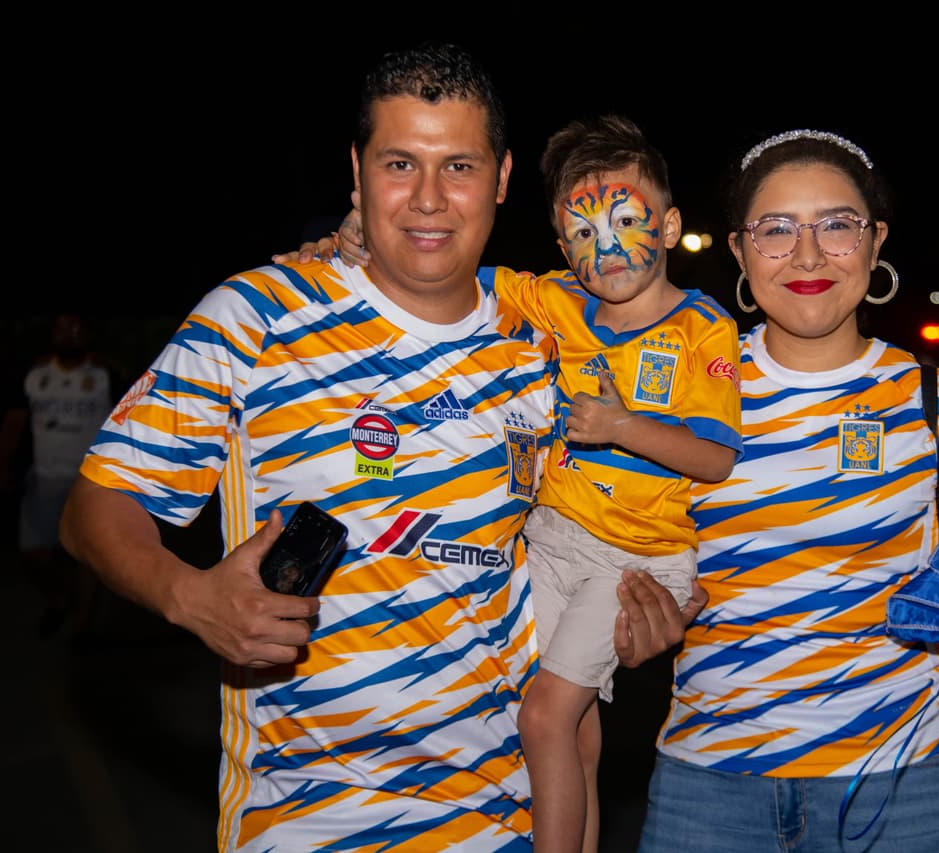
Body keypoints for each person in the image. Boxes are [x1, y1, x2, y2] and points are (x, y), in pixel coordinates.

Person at [294, 129, 939, 851]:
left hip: (909, 788)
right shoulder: (693, 382)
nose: (807, 255)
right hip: (713, 794)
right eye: (776, 229)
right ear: (737, 250)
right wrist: (367, 254)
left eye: (836, 226)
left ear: (876, 242)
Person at [59, 43, 696, 852]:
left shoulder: (549, 336)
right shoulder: (257, 317)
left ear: (500, 179)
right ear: (356, 176)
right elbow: (94, 506)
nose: (429, 199)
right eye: (401, 163)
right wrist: (190, 596)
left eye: (458, 166)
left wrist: (642, 611)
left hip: (509, 818)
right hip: (313, 823)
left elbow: (623, 511)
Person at [288, 114, 743, 853]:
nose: (608, 247)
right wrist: (354, 234)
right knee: (576, 735)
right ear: (563, 247)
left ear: (669, 226)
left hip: (632, 559)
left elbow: (715, 459)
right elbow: (436, 267)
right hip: (551, 541)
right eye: (584, 234)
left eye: (628, 220)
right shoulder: (553, 299)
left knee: (541, 718)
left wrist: (622, 425)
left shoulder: (704, 330)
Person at [0, 310, 114, 639]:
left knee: (86, 554)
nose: (68, 334)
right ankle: (60, 599)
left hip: (89, 482)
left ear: (88, 334)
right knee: (34, 554)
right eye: (61, 329)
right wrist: (4, 468)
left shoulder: (105, 375)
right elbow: (14, 422)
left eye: (76, 328)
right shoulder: (35, 375)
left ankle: (82, 625)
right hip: (44, 479)